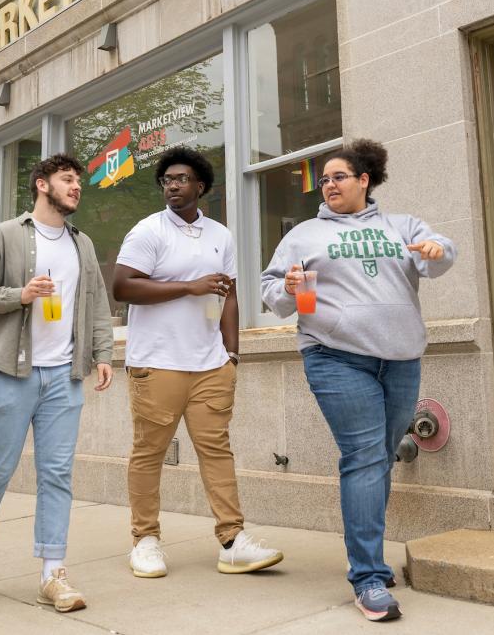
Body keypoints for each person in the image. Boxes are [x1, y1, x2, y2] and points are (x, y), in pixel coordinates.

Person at [260, 139, 456, 622]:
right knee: (365, 456)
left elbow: (438, 256)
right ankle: (367, 576)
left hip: (400, 359)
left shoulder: (401, 226)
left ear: (364, 179)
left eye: (339, 176)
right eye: (324, 179)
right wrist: (286, 287)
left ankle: (371, 561)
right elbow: (272, 291)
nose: (328, 185)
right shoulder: (304, 234)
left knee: (382, 456)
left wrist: (437, 249)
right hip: (335, 357)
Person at [0, 154, 114, 612]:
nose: (76, 186)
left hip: (64, 375)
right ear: (42, 184)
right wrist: (17, 295)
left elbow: (97, 302)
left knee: (57, 474)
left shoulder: (82, 243)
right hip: (10, 372)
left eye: (78, 181)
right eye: (67, 179)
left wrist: (103, 354)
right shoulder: (4, 235)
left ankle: (52, 572)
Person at [112, 146, 283, 579]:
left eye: (182, 178)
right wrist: (189, 287)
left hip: (210, 364)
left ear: (200, 185)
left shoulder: (220, 235)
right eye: (167, 179)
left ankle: (232, 541)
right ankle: (145, 540)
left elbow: (229, 295)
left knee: (217, 450)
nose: (172, 185)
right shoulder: (148, 231)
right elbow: (123, 287)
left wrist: (232, 352)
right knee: (149, 453)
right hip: (157, 363)